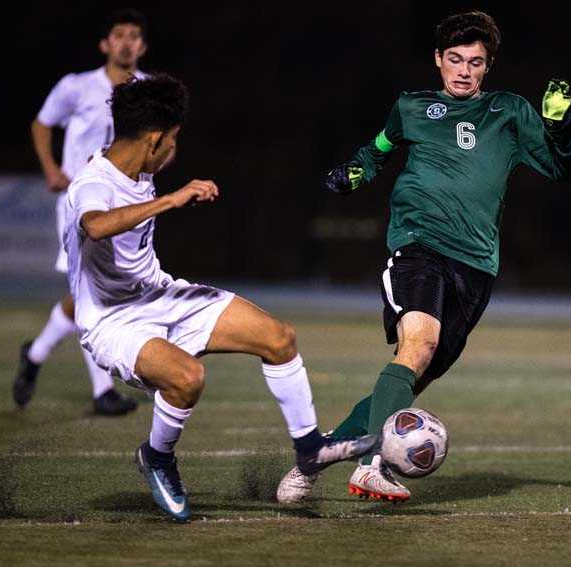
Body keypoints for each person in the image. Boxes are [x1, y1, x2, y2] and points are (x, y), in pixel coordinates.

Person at [277, 10, 571, 503]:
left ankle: (315, 458)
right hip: (418, 244)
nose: (465, 70)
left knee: (411, 375)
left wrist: (561, 125)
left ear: (489, 67)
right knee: (418, 343)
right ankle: (370, 465)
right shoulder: (412, 107)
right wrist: (357, 173)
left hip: (477, 266)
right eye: (456, 59)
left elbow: (564, 168)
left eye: (476, 62)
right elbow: (378, 149)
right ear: (438, 60)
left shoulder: (509, 112)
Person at [64, 74, 376, 521]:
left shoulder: (137, 164)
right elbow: (95, 225)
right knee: (186, 378)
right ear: (153, 140)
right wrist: (172, 200)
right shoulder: (92, 184)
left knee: (278, 338)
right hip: (112, 321)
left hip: (160, 294)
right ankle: (157, 456)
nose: (175, 149)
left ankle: (310, 449)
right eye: (171, 141)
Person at [13, 9, 150, 415]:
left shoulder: (146, 89)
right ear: (105, 44)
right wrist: (52, 169)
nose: (126, 42)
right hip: (82, 200)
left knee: (97, 290)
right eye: (119, 34)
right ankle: (101, 390)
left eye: (134, 36)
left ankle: (35, 354)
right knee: (88, 288)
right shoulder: (77, 87)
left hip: (125, 204)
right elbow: (42, 124)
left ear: (142, 46)